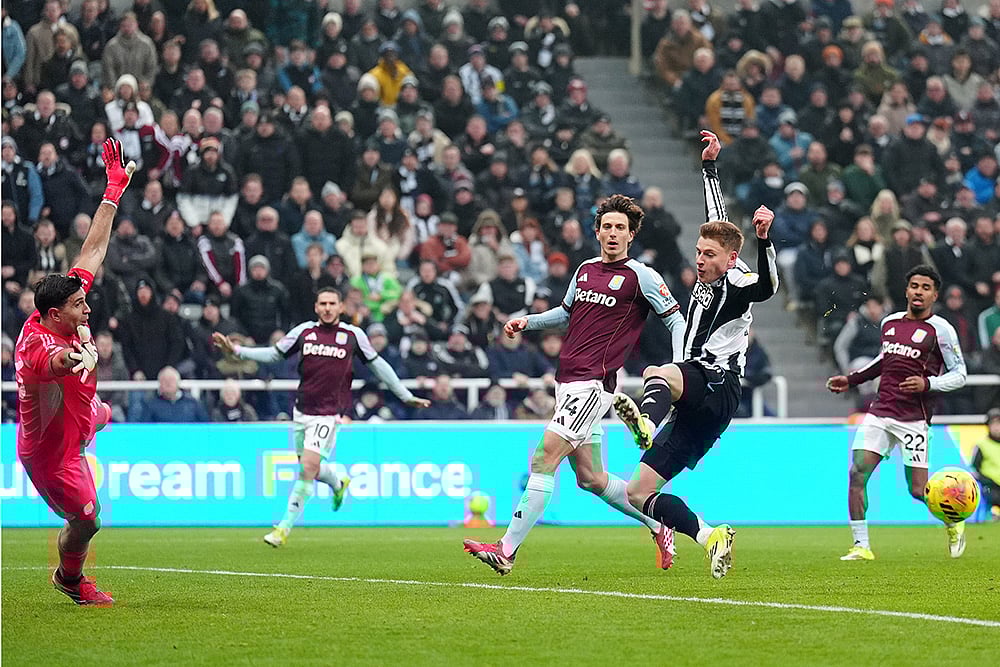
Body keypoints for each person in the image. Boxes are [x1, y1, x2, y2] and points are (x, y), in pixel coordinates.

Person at [463, 193, 688, 576]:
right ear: (597, 231)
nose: (613, 233)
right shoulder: (584, 269)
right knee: (591, 478)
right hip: (567, 382)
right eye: (607, 227)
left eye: (621, 228)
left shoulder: (642, 276)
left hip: (594, 385)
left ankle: (506, 550)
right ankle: (657, 522)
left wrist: (681, 368)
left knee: (543, 458)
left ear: (631, 235)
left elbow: (676, 320)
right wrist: (527, 322)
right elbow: (566, 314)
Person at [611, 130, 779, 579]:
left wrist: (765, 241)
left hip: (717, 382)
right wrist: (709, 166)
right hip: (697, 406)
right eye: (698, 252)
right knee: (637, 492)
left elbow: (768, 287)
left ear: (731, 257)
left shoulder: (738, 282)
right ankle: (711, 536)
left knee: (658, 372)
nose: (699, 260)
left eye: (708, 255)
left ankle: (645, 420)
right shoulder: (716, 259)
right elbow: (717, 217)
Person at [213, 288, 430, 547]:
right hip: (302, 411)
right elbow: (274, 353)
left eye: (332, 304)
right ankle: (338, 482)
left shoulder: (352, 335)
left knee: (307, 468)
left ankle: (282, 529)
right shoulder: (304, 332)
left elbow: (378, 364)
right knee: (312, 468)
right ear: (316, 307)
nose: (327, 308)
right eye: (323, 304)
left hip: (329, 414)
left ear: (340, 307)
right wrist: (237, 350)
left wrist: (405, 395)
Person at [14, 138, 133, 605]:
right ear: (55, 313)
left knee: (102, 413)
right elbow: (54, 364)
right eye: (79, 303)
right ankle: (70, 579)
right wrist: (77, 359)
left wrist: (113, 192)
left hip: (81, 416)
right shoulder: (36, 345)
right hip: (51, 452)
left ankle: (97, 416)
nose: (88, 305)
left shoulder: (60, 309)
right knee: (89, 519)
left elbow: (92, 252)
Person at [826, 264, 969, 561]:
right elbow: (883, 360)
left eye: (926, 288)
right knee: (857, 474)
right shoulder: (889, 323)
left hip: (914, 419)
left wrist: (928, 383)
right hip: (880, 412)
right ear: (906, 290)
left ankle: (953, 522)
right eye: (914, 286)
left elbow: (960, 374)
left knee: (918, 491)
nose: (919, 291)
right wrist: (851, 379)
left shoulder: (941, 330)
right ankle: (861, 546)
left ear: (934, 295)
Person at [972, 408, 1000, 521]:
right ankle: (993, 514)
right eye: (994, 424)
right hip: (990, 485)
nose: (997, 428)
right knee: (992, 495)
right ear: (988, 426)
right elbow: (975, 468)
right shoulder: (982, 445)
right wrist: (985, 479)